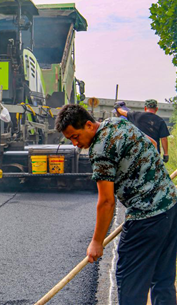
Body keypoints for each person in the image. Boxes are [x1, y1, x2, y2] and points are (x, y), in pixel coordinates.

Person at [55, 104, 177, 305]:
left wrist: (96, 242)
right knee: (162, 279)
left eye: (75, 137)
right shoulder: (117, 123)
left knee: (130, 282)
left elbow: (106, 202)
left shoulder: (100, 149)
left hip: (145, 217)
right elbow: (151, 141)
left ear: (88, 125)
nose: (75, 144)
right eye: (70, 140)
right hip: (170, 206)